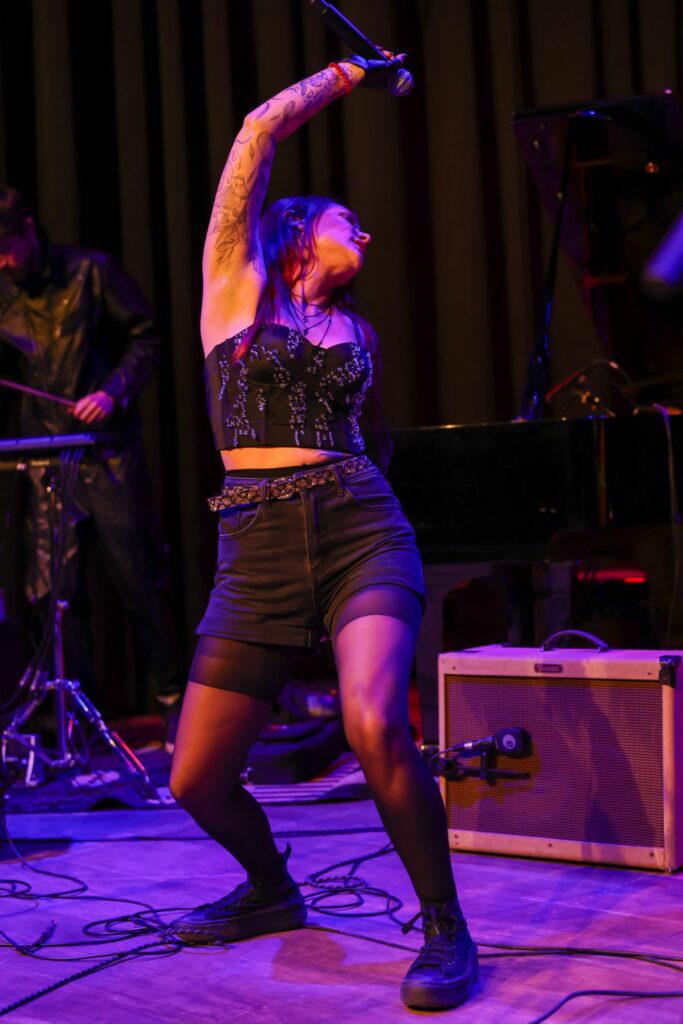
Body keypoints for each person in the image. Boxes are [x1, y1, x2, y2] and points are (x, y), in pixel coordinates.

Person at [169, 55, 478, 1011]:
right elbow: (255, 133)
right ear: (297, 233)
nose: (367, 233)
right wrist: (348, 75)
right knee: (194, 780)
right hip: (254, 546)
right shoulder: (235, 288)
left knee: (374, 722)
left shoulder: (360, 333)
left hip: (359, 532)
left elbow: (363, 443)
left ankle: (445, 927)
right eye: (350, 221)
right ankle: (271, 889)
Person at [0, 186, 184, 728]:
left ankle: (176, 704)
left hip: (106, 453)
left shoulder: (91, 271)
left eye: (6, 247)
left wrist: (112, 392)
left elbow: (147, 336)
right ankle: (80, 725)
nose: (2, 262)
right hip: (46, 456)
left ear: (28, 230)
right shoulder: (4, 292)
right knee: (52, 596)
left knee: (139, 580)